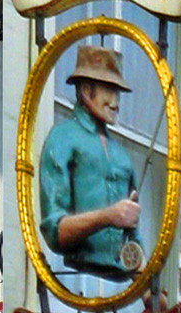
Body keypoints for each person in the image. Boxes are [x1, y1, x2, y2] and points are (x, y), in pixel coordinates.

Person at [40, 45, 168, 310]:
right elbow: (54, 231)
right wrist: (109, 216)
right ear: (86, 92)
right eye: (109, 91)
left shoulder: (121, 156)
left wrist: (148, 290)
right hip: (73, 284)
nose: (116, 103)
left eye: (118, 92)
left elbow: (132, 239)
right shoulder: (62, 138)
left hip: (119, 289)